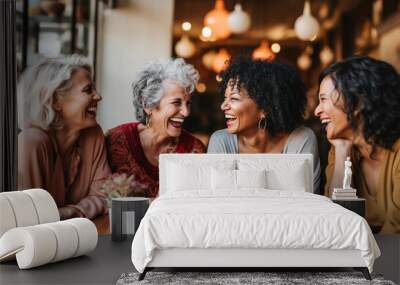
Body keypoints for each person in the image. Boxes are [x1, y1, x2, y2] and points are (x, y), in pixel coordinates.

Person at [18, 55, 110, 220]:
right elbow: (28, 218)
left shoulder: (93, 135)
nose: (98, 96)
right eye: (88, 90)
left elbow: (104, 197)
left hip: (78, 236)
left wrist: (75, 211)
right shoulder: (31, 144)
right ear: (55, 101)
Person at [207, 58, 321, 193]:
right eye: (225, 98)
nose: (223, 106)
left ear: (264, 108)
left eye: (234, 98)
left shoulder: (301, 139)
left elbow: (308, 199)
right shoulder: (221, 141)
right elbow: (218, 199)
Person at [314, 56, 400, 233]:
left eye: (323, 99)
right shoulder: (341, 146)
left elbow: (396, 233)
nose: (317, 110)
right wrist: (341, 150)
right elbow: (334, 220)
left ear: (358, 103)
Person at [106, 58, 205, 198]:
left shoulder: (194, 150)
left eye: (187, 103)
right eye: (176, 103)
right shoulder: (116, 140)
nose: (186, 112)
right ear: (148, 105)